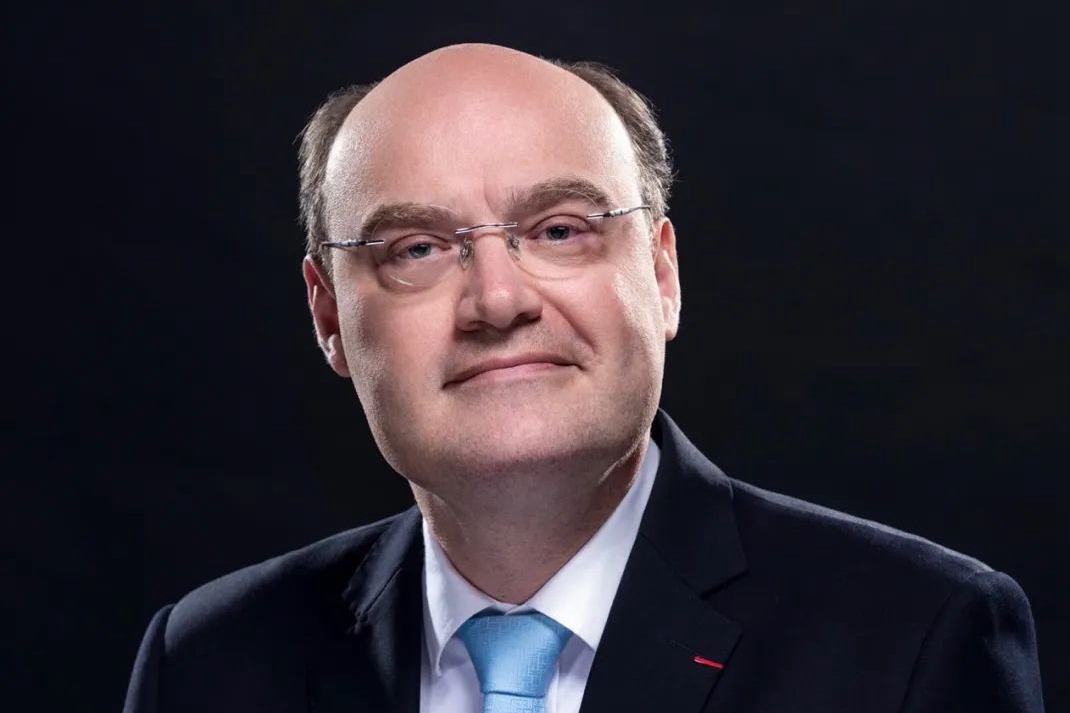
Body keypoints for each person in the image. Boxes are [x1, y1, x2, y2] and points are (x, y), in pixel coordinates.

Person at [123, 43, 1044, 713]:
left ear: (662, 274)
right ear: (329, 315)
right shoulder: (207, 663)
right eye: (416, 248)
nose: (497, 300)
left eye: (560, 230)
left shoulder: (915, 641)